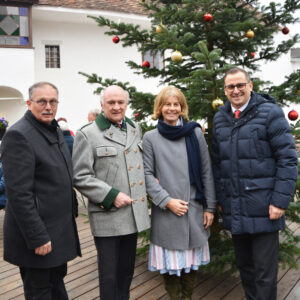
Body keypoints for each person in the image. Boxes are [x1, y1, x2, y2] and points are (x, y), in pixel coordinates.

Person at [212, 67, 298, 300]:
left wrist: (280, 201)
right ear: (225, 90)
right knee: (247, 270)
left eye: (241, 85)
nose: (236, 90)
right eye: (231, 86)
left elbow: (288, 159)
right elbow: (218, 164)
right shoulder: (220, 118)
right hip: (235, 207)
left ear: (250, 86)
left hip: (265, 208)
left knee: (264, 273)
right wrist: (221, 200)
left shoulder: (270, 113)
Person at [0, 82, 81, 300]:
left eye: (52, 101)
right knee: (40, 290)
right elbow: (18, 194)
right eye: (41, 101)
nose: (48, 106)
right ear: (29, 103)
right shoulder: (19, 135)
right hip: (38, 235)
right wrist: (37, 237)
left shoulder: (52, 128)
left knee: (56, 283)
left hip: (58, 230)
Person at [72, 85, 150, 300]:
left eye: (121, 102)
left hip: (132, 215)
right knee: (109, 275)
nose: (116, 107)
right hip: (108, 217)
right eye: (111, 103)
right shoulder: (87, 134)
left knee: (126, 272)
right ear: (102, 105)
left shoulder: (135, 128)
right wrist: (111, 195)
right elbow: (80, 176)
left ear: (126, 104)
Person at [143, 86, 216, 300]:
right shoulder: (150, 138)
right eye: (167, 104)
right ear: (160, 107)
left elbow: (206, 171)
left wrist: (210, 207)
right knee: (170, 264)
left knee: (191, 261)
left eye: (176, 104)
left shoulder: (195, 133)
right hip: (166, 210)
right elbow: (146, 174)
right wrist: (167, 201)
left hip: (194, 207)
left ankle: (188, 297)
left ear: (182, 107)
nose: (172, 108)